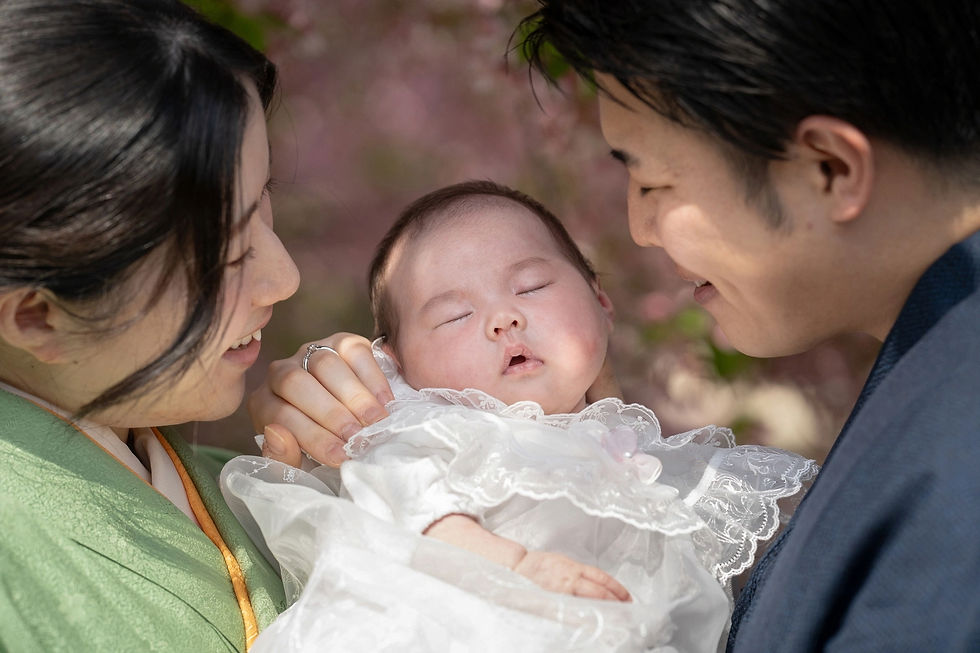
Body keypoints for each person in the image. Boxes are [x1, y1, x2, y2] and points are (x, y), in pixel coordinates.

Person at [250, 2, 980, 652]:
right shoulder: (935, 371)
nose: (637, 228)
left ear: (828, 168)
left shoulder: (954, 464)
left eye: (655, 183)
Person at [223, 181, 817, 651]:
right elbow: (417, 507)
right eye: (455, 316)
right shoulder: (433, 429)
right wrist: (518, 565)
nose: (503, 319)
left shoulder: (657, 462)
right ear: (397, 363)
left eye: (531, 286)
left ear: (603, 304)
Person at [0, 1, 301, 650]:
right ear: (36, 316)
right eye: (226, 254)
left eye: (265, 204)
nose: (285, 279)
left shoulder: (212, 476)